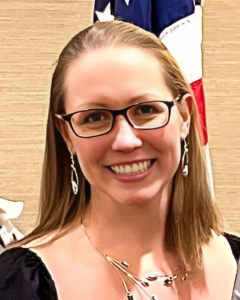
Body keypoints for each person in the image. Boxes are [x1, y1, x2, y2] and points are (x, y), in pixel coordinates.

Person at [0, 20, 238, 300]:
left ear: (184, 117)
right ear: (66, 135)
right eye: (95, 117)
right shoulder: (18, 284)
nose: (126, 140)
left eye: (146, 109)